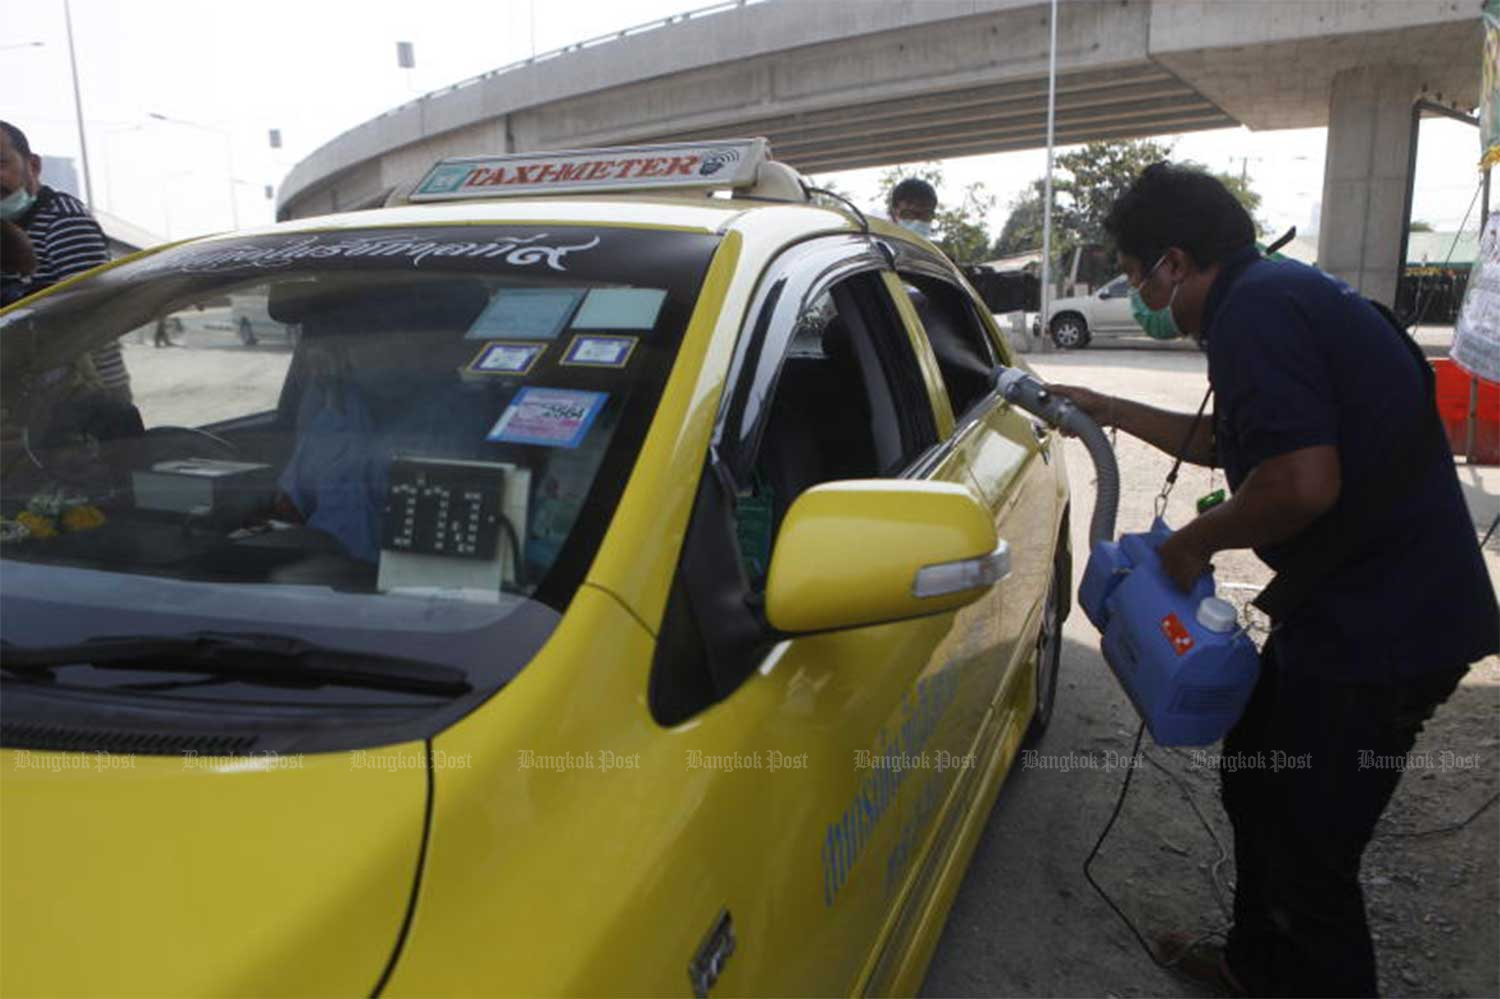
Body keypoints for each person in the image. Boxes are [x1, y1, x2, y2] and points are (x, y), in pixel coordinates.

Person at [1050, 163, 1498, 998]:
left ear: (1175, 262)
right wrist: (1108, 409)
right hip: (1352, 605)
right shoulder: (1276, 293)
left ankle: (1303, 971)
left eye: (1139, 274)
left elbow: (1299, 482)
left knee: (1310, 850)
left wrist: (1186, 549)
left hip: (1389, 627)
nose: (1141, 293)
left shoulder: (1254, 313)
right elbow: (1235, 439)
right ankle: (1252, 967)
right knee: (1258, 767)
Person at [1, 120, 129, 398]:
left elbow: (92, 318)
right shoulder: (6, 228)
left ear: (32, 165)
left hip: (87, 400)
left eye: (1, 164)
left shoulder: (62, 220)